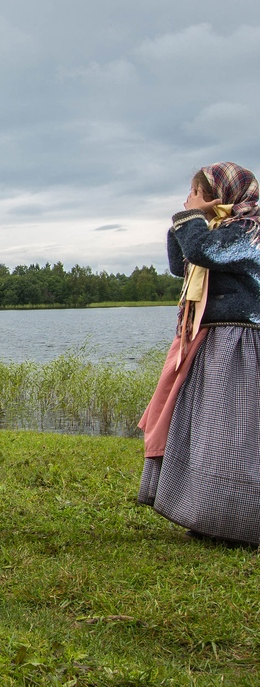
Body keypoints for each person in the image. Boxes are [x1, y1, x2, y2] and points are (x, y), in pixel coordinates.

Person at [138, 162, 260, 548]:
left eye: (200, 191)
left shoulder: (251, 231)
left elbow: (202, 251)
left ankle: (242, 523)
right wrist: (187, 218)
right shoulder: (216, 230)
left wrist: (190, 218)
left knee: (237, 433)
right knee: (206, 430)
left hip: (242, 343)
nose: (193, 199)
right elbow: (181, 263)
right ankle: (207, 514)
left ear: (224, 195)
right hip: (210, 340)